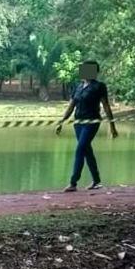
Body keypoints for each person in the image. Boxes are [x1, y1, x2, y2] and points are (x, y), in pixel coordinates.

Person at [55, 61, 118, 192]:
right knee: (87, 151)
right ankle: (97, 180)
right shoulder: (78, 87)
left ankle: (73, 182)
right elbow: (71, 106)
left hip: (92, 122)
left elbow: (106, 106)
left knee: (80, 149)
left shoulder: (99, 86)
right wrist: (61, 121)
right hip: (78, 123)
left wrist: (112, 126)